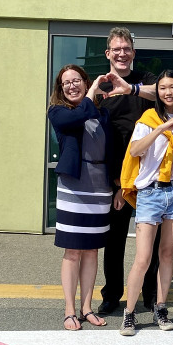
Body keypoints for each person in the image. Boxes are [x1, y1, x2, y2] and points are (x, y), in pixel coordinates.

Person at [118, 70, 173, 336]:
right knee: (143, 258)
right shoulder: (148, 120)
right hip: (150, 193)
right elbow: (136, 150)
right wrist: (162, 128)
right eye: (162, 88)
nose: (168, 92)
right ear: (157, 92)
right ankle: (129, 313)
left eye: (172, 87)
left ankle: (161, 308)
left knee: (167, 254)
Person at [47, 65, 120, 330]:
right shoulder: (59, 112)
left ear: (85, 81)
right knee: (73, 251)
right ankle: (69, 310)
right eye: (66, 83)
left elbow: (110, 150)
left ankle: (87, 307)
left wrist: (117, 186)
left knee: (91, 251)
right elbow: (76, 118)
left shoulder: (102, 114)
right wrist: (92, 92)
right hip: (73, 188)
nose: (71, 86)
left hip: (99, 188)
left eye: (76, 80)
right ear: (60, 89)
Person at [95, 27, 160, 317]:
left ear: (133, 52)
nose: (122, 53)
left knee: (152, 241)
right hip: (116, 177)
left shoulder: (145, 81)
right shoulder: (101, 86)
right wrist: (117, 183)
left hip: (147, 177)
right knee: (115, 240)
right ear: (108, 53)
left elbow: (161, 93)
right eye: (116, 49)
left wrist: (130, 87)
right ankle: (112, 295)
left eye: (127, 49)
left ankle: (149, 294)